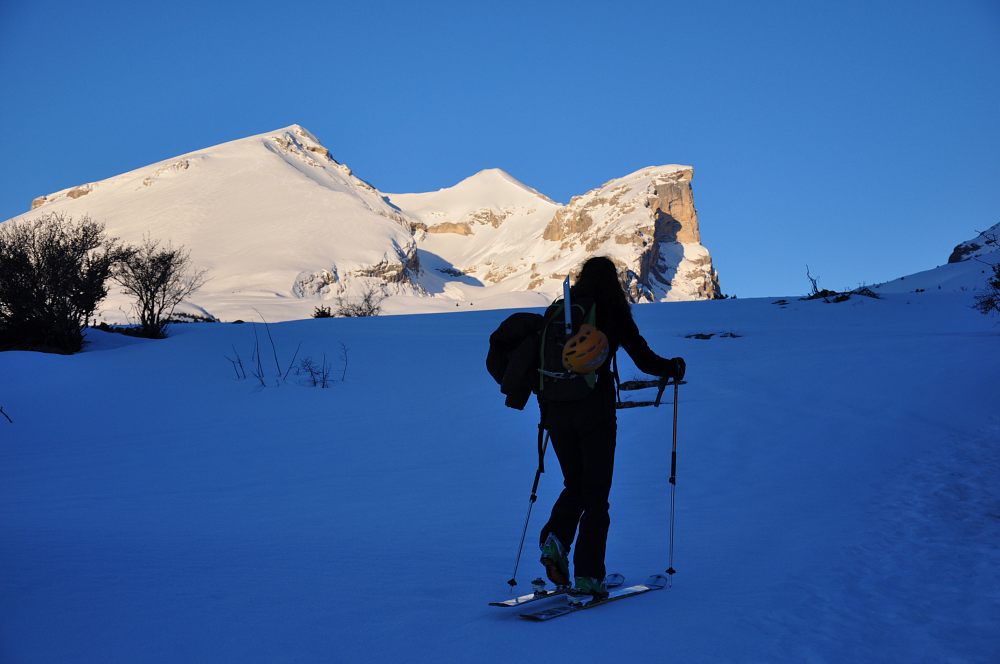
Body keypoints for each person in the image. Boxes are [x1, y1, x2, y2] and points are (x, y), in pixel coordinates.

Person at [538, 256, 685, 598]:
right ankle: (588, 576)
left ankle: (555, 541)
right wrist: (674, 367)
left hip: (555, 412)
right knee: (596, 495)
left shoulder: (562, 311)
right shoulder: (611, 312)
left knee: (575, 484)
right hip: (595, 413)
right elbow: (644, 359)